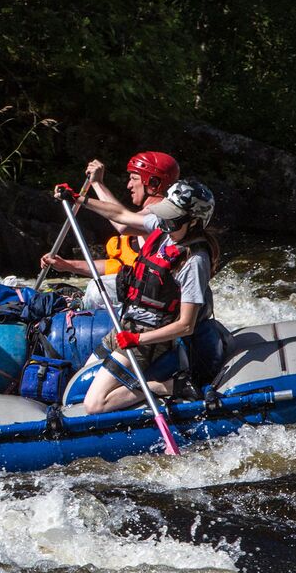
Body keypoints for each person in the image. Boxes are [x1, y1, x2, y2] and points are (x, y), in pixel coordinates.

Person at [80, 178, 218, 415]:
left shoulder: (194, 261)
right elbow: (121, 215)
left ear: (193, 221)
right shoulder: (166, 228)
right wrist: (80, 200)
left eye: (171, 217)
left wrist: (138, 340)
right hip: (127, 324)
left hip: (151, 339)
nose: (164, 220)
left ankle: (170, 385)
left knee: (94, 404)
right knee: (82, 375)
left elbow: (186, 325)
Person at [39, 151, 181, 279]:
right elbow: (116, 266)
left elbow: (122, 222)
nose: (129, 185)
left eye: (134, 179)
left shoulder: (163, 215)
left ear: (154, 183)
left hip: (160, 297)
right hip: (145, 291)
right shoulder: (145, 218)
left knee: (94, 292)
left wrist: (80, 196)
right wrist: (67, 265)